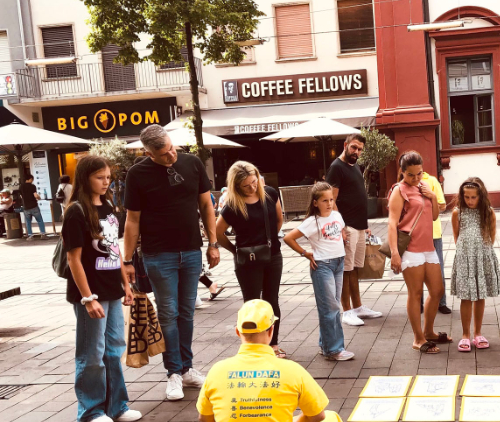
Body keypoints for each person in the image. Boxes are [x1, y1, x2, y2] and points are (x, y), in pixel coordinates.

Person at [195, 299, 348, 422]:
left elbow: (204, 417)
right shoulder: (292, 369)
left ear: (237, 332)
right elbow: (318, 416)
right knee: (330, 419)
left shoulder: (217, 370)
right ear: (271, 331)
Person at [122, 124, 220, 401]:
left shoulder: (192, 163)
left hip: (191, 250)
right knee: (168, 313)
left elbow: (206, 206)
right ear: (148, 152)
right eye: (164, 154)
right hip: (157, 253)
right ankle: (173, 372)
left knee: (186, 312)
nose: (172, 156)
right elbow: (133, 219)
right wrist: (127, 259)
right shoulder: (137, 174)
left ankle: (186, 369)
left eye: (172, 148)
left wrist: (213, 243)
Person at [62, 156, 142, 422]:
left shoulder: (108, 206)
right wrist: (87, 298)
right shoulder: (76, 211)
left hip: (111, 289)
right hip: (90, 293)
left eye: (108, 176)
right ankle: (89, 411)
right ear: (86, 179)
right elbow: (74, 259)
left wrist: (126, 284)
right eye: (100, 177)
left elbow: (114, 248)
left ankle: (116, 405)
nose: (106, 181)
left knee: (113, 350)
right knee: (92, 353)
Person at [215, 161, 286, 358]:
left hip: (272, 255)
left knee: (272, 300)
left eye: (254, 182)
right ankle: (254, 347)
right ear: (236, 185)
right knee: (252, 303)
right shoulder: (232, 205)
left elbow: (279, 221)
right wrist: (234, 251)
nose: (252, 187)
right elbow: (216, 231)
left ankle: (273, 344)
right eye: (246, 185)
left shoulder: (270, 193)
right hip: (247, 260)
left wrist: (267, 242)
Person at [283, 182, 355, 361]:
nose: (329, 204)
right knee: (330, 308)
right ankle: (334, 350)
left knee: (332, 306)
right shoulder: (311, 222)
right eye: (324, 200)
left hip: (338, 263)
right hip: (322, 266)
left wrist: (344, 238)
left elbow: (341, 232)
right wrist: (305, 253)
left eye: (331, 199)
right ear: (315, 203)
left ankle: (327, 345)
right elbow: (288, 237)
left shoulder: (337, 215)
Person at [387, 151, 449, 354]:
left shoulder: (424, 186)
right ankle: (418, 338)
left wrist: (430, 195)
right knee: (415, 294)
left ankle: (429, 331)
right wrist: (395, 253)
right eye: (411, 175)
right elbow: (391, 223)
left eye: (419, 174)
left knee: (437, 291)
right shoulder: (399, 190)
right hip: (410, 249)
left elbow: (433, 217)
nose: (415, 178)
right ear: (402, 172)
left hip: (428, 247)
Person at [325, 134, 382, 327]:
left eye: (359, 149)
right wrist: (340, 227)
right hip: (346, 226)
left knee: (355, 269)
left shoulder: (355, 165)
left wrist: (365, 225)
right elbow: (331, 202)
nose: (356, 152)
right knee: (345, 270)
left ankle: (357, 307)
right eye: (354, 148)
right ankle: (346, 311)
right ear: (346, 145)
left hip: (358, 225)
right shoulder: (336, 168)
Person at [451, 177, 500, 352]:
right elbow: (457, 236)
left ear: (481, 196)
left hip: (482, 257)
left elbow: (492, 236)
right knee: (466, 297)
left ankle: (478, 333)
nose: (470, 201)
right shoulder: (458, 213)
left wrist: (481, 252)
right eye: (467, 197)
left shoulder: (488, 212)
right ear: (462, 196)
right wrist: (466, 253)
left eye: (474, 197)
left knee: (481, 295)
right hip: (465, 258)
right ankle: (465, 335)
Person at [422, 170, 451, 315]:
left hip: (433, 232)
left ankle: (441, 302)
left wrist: (428, 202)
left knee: (438, 268)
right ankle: (419, 303)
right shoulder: (402, 185)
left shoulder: (431, 181)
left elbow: (442, 205)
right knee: (416, 270)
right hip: (413, 234)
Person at [20, 173, 46, 240]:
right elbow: (36, 195)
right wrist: (39, 198)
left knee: (28, 222)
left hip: (26, 207)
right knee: (40, 220)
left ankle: (30, 236)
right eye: (32, 179)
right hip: (34, 206)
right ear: (30, 179)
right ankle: (43, 234)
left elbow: (21, 196)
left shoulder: (21, 186)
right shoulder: (32, 186)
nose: (32, 181)